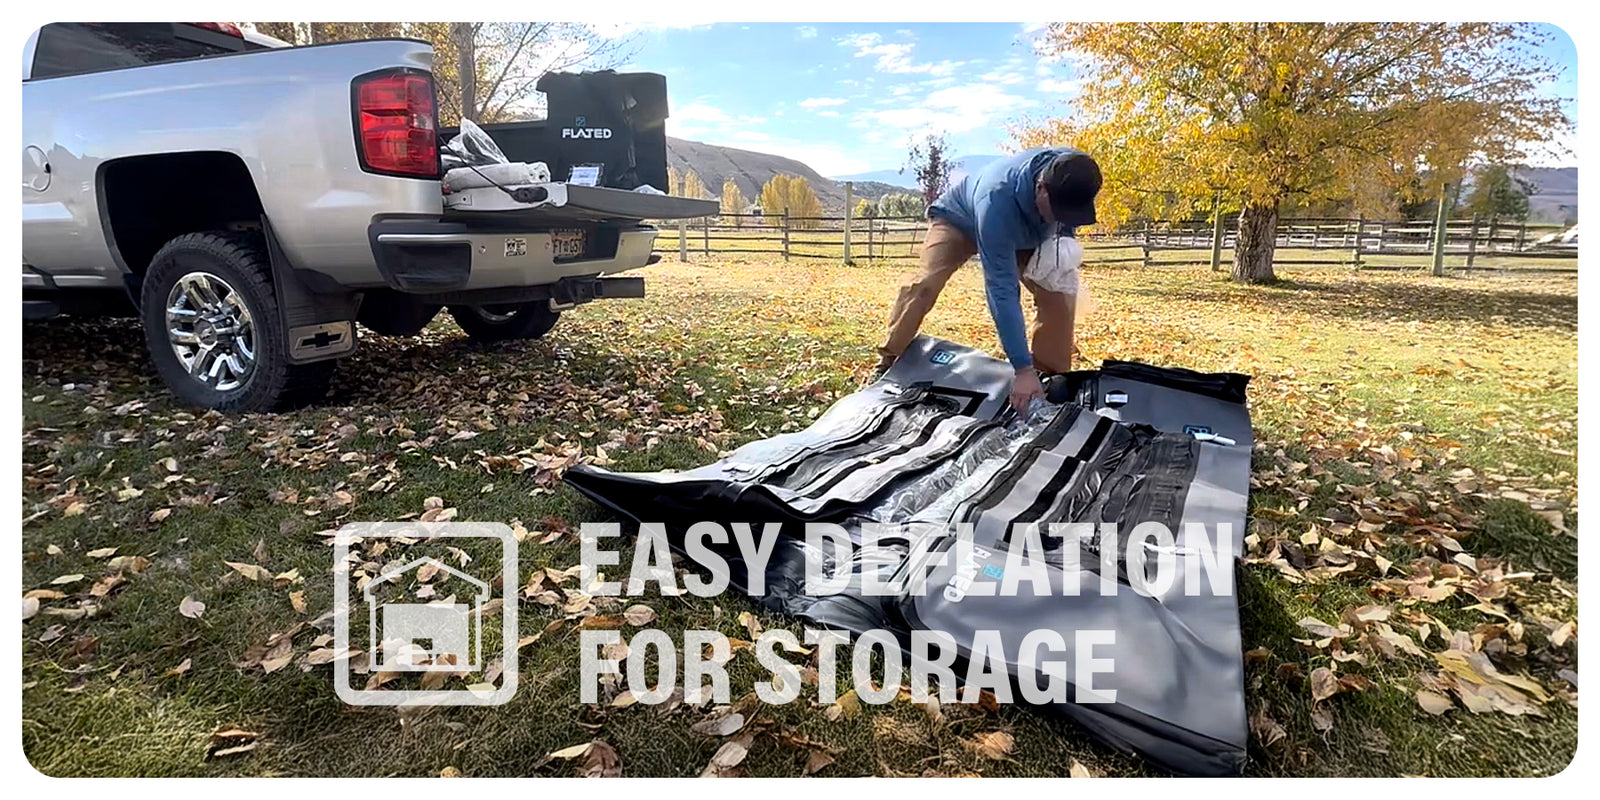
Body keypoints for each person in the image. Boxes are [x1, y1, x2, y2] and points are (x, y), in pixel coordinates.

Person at [875, 148, 1101, 412]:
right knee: (925, 284)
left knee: (1058, 291)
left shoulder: (1074, 171)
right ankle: (888, 361)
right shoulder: (997, 199)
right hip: (959, 220)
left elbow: (1065, 218)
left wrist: (1062, 243)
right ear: (1041, 188)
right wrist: (1021, 367)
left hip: (1027, 232)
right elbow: (1002, 290)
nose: (1064, 218)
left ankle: (1048, 381)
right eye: (1060, 211)